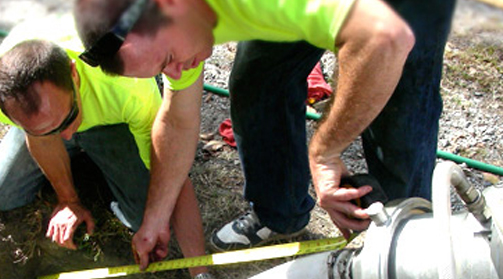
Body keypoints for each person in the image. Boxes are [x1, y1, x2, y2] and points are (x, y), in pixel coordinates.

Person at [73, 0, 456, 262]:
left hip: (400, 12)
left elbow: (384, 38)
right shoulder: (173, 21)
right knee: (258, 83)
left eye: (169, 60)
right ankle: (280, 211)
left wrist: (324, 151)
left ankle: (411, 253)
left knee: (401, 113)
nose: (176, 73)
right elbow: (176, 119)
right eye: (163, 69)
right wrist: (156, 216)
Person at [0, 14, 225, 279]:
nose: (67, 135)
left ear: (73, 74)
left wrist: (200, 273)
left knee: (143, 216)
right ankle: (78, 161)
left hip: (113, 125)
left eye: (68, 118)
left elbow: (175, 171)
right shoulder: (8, 87)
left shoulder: (127, 87)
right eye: (51, 130)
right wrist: (68, 201)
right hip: (47, 118)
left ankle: (95, 164)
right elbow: (44, 134)